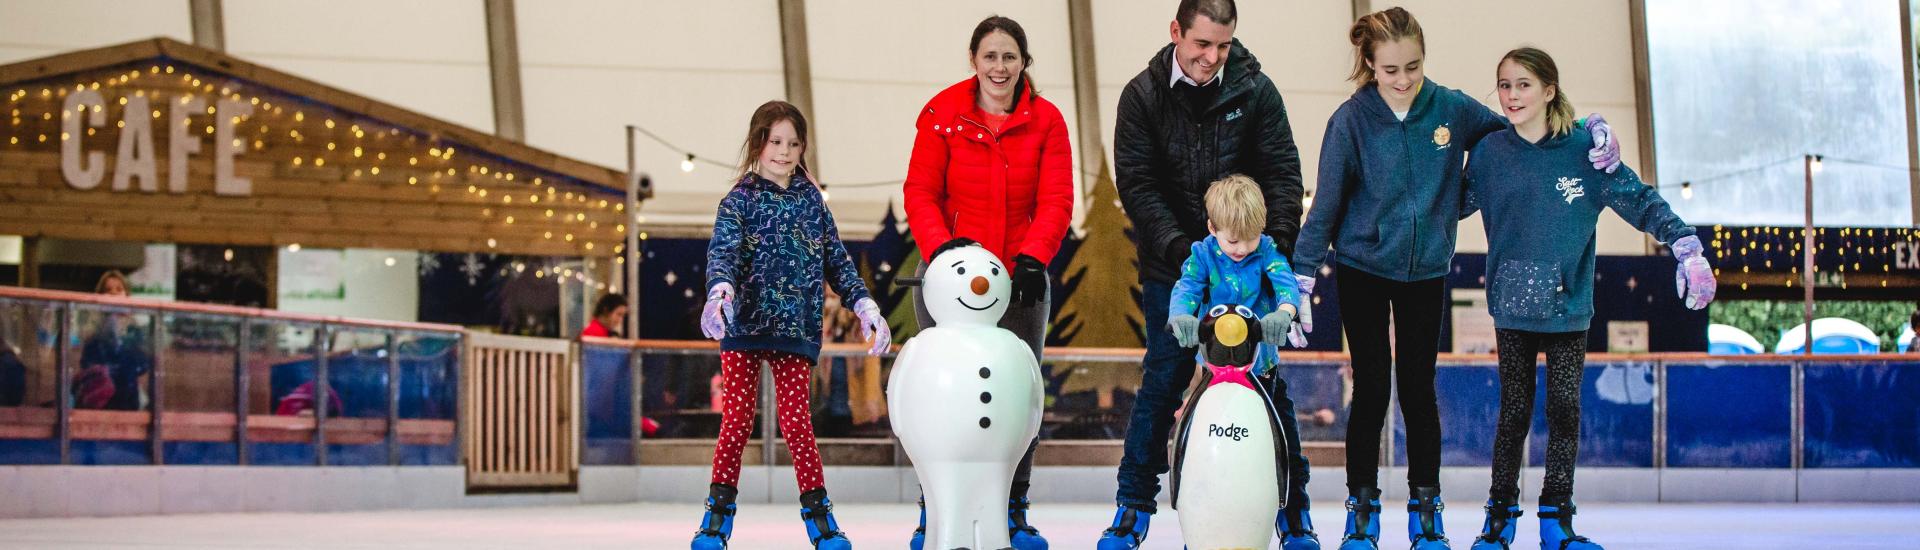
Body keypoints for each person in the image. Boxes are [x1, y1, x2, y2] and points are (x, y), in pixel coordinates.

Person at [1288, 8, 1622, 549]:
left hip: (1426, 270)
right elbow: (1325, 206)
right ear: (1369, 64)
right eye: (1390, 70)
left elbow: (1521, 129)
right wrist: (1301, 277)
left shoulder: (1451, 108)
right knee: (1371, 388)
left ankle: (1426, 513)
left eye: (1413, 67)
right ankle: (1362, 513)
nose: (1404, 80)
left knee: (1419, 389)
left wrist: (1585, 133)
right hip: (1362, 267)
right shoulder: (1350, 121)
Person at [1458, 47, 1714, 550]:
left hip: (1568, 307)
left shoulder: (1586, 152)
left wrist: (1686, 245)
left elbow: (1639, 199)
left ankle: (1556, 521)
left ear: (1549, 90)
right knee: (1513, 412)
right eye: (1505, 85)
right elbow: (1443, 203)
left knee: (1564, 410)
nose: (1512, 95)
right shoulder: (1489, 153)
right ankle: (1499, 520)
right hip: (1511, 304)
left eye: (1524, 85)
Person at [1106, 1, 1308, 548]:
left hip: (1250, 271)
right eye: (1201, 44)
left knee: (1268, 387)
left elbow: (1283, 175)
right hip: (1175, 271)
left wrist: (1272, 251)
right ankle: (1133, 506)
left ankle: (1293, 511)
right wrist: (1184, 251)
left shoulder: (1256, 91)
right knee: (1163, 380)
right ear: (1176, 32)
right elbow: (1138, 184)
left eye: (1223, 45)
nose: (1212, 57)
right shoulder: (1143, 96)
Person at [902, 14, 1074, 550]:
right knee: (944, 396)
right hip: (951, 280)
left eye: (1009, 57)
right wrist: (943, 252)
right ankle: (934, 510)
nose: (999, 67)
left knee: (1017, 397)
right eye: (990, 56)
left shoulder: (1047, 121)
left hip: (1019, 279)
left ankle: (1014, 510)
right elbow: (920, 192)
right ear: (974, 60)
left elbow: (1057, 199)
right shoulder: (941, 114)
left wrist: (1033, 259)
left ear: (1024, 62)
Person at [691, 100, 891, 550]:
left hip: (795, 330)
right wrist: (719, 292)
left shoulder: (811, 203)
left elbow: (837, 261)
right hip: (744, 328)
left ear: (803, 148)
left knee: (798, 423)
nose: (784, 152)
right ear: (757, 143)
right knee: (736, 422)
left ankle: (821, 521)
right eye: (775, 141)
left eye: (793, 143)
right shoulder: (739, 200)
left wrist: (864, 305)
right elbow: (723, 253)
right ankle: (715, 520)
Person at [1163, 174, 1309, 531]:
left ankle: (1294, 517)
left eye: (1250, 238)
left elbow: (1285, 283)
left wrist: (1284, 313)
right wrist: (1181, 316)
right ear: (1212, 228)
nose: (1242, 248)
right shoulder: (1203, 255)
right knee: (1198, 438)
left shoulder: (1267, 251)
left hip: (1262, 371)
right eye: (1233, 240)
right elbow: (1187, 288)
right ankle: (1199, 515)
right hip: (1214, 374)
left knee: (1284, 441)